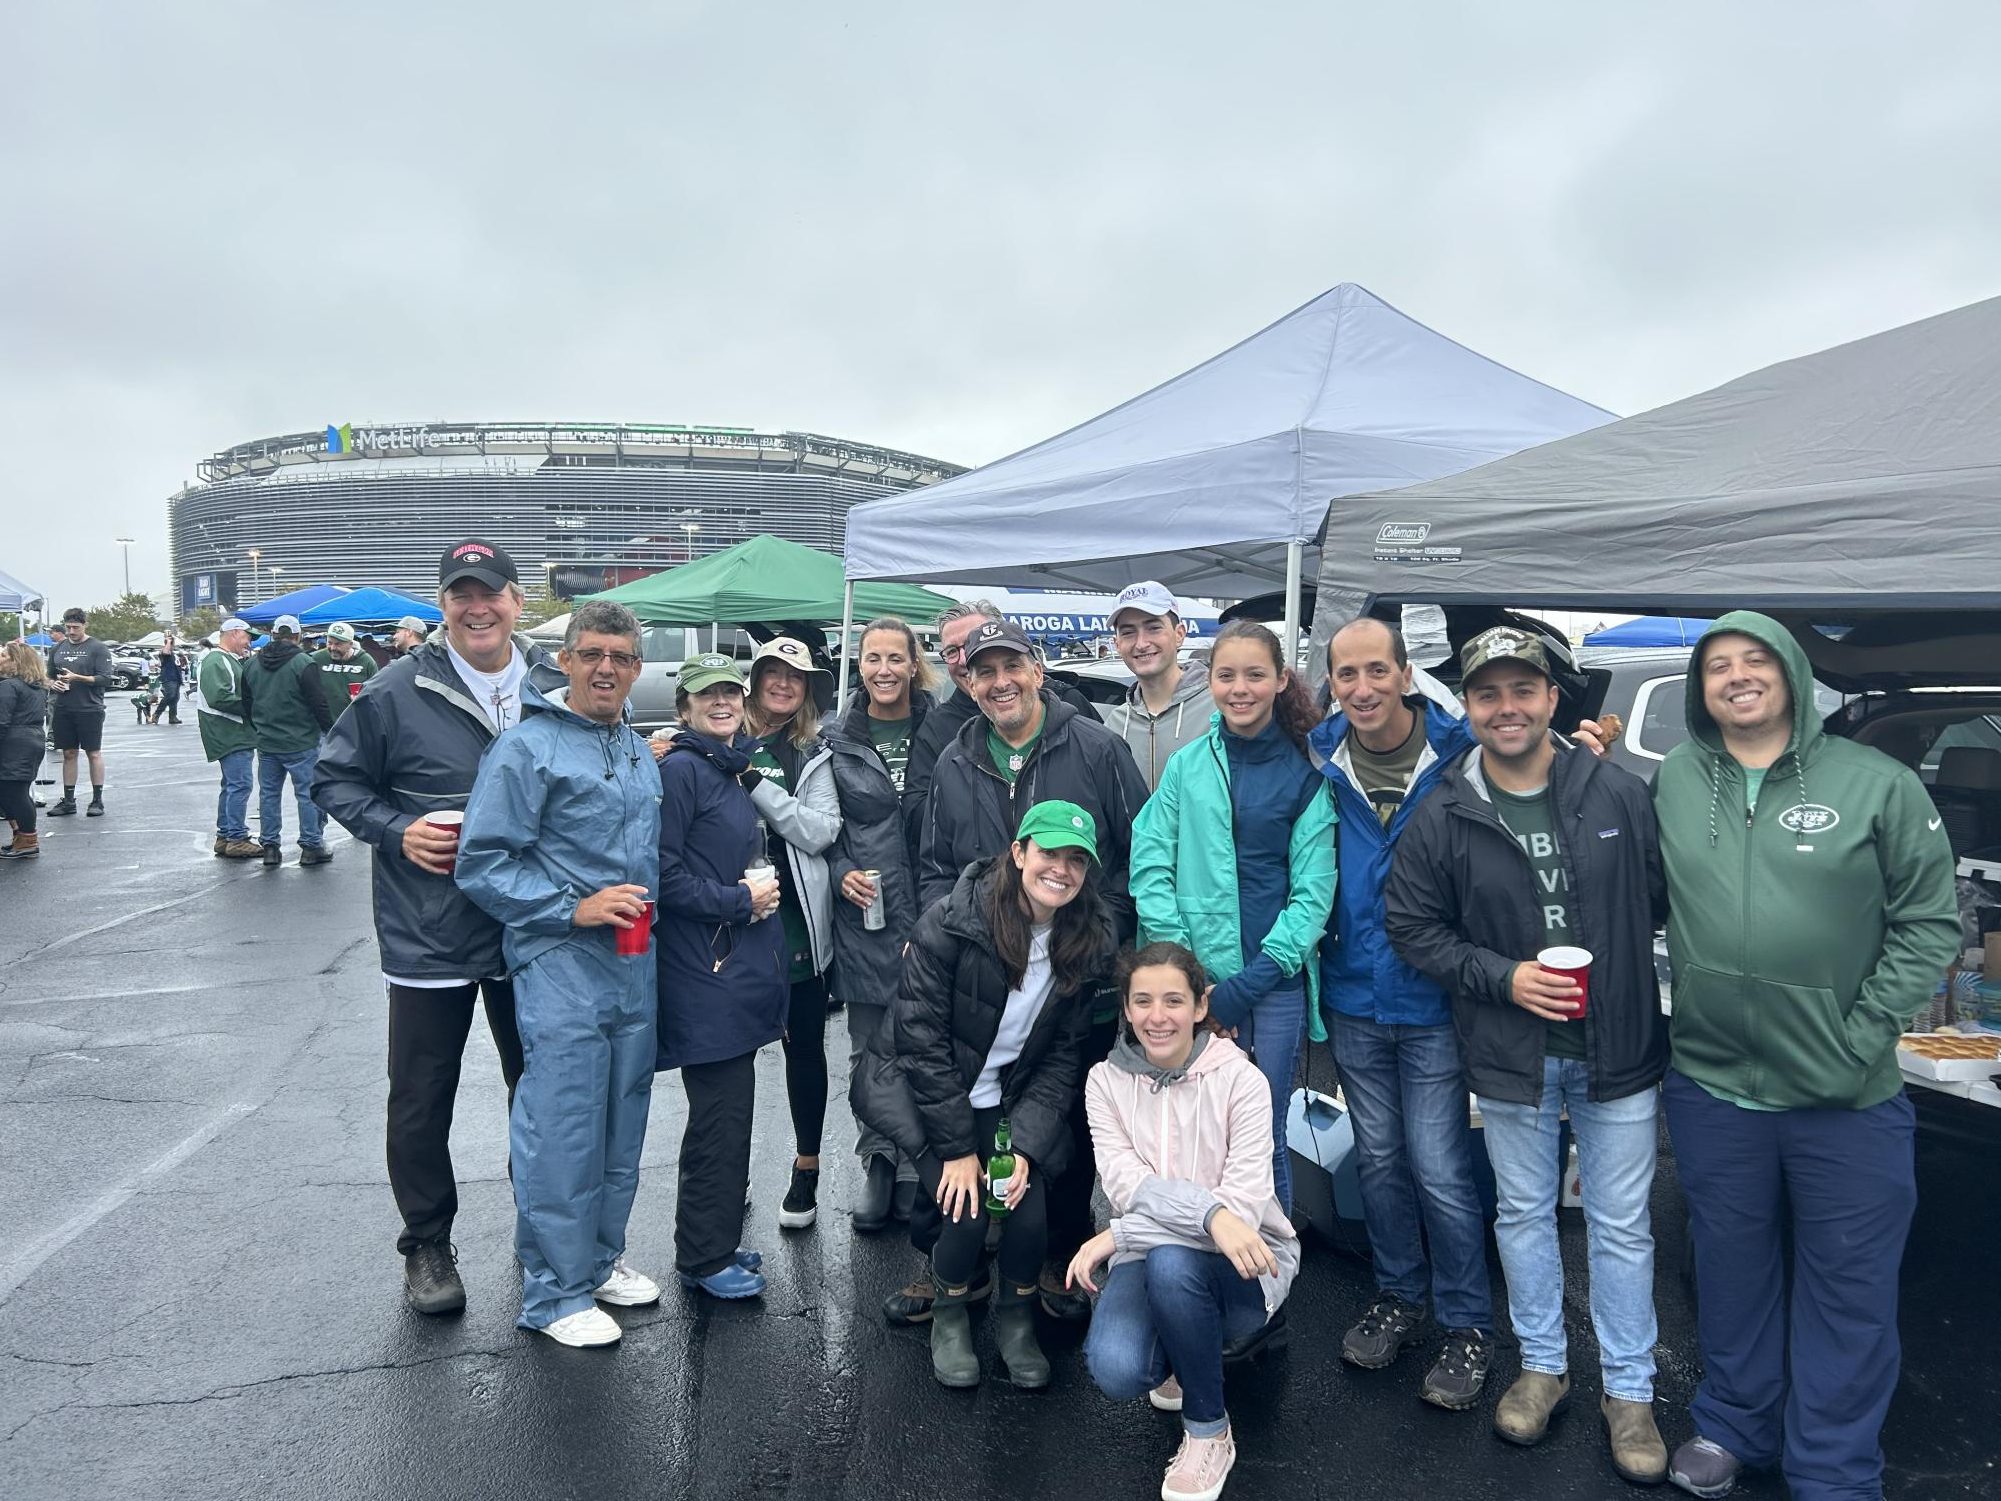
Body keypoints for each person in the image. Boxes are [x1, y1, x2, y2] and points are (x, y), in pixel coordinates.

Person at [1646, 613, 1958, 1501]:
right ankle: (1737, 1423)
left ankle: (1831, 1465)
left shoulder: (1876, 783)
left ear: (1787, 672)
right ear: (1699, 689)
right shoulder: (1674, 777)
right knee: (1731, 1272)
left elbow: (1929, 923)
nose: (1737, 676)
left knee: (1847, 1291)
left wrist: (1859, 1035)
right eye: (1717, 666)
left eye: (1754, 661)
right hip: (1712, 1085)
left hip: (1846, 1095)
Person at [1385, 626, 1670, 1484]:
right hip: (1511, 1051)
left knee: (1621, 1224)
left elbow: (1658, 898)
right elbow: (1411, 927)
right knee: (1521, 1213)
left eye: (1522, 691)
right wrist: (1503, 977)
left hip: (1616, 1043)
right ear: (1466, 707)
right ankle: (1541, 1366)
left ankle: (1629, 1390)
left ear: (1552, 699)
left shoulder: (1616, 790)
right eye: (1486, 694)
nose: (1505, 708)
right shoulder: (1443, 809)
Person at [314, 539, 565, 1314]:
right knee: (423, 1094)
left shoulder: (555, 684)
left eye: (489, 591)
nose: (476, 606)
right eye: (460, 594)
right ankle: (426, 1242)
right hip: (431, 930)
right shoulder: (396, 689)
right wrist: (396, 830)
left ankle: (548, 1233)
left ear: (518, 601)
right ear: (442, 605)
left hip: (533, 925)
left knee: (544, 1086)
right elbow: (334, 777)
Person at [919, 616, 1148, 1325]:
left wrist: (1096, 944)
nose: (998, 682)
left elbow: (1136, 860)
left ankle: (1059, 1254)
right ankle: (960, 1260)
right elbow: (932, 867)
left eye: (1010, 666)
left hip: (1074, 974)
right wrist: (939, 943)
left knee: (1066, 1116)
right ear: (968, 680)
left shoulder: (1097, 748)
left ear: (1037, 668)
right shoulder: (954, 761)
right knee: (971, 1114)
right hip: (976, 985)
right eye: (982, 671)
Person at [456, 601, 663, 1348]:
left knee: (621, 1115)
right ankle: (552, 1290)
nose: (606, 667)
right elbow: (481, 862)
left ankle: (597, 1261)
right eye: (593, 653)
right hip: (560, 962)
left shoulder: (634, 748)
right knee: (564, 1125)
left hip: (632, 964)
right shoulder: (527, 747)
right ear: (566, 659)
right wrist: (572, 908)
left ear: (636, 668)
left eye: (621, 656)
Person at [852, 801, 1116, 1389]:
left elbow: (1061, 1061)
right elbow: (921, 1044)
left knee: (1027, 1210)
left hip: (1002, 1096)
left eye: (1076, 860)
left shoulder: (1083, 940)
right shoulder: (951, 922)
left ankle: (1015, 1322)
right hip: (918, 1087)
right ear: (1019, 854)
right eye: (1049, 853)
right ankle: (950, 1315)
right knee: (965, 1210)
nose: (1061, 871)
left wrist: (1022, 1147)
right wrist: (955, 1150)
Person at [1305, 616, 1495, 1410]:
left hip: (1432, 998)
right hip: (1354, 994)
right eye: (1345, 674)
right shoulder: (1319, 757)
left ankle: (1465, 1322)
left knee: (1441, 1166)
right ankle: (1398, 1295)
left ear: (1405, 672)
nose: (1361, 689)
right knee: (1378, 1160)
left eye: (1375, 671)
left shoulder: (1461, 755)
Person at [1072, 942, 1300, 1501]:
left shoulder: (1242, 1080)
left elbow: (1243, 1211)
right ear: (1125, 1010)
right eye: (1142, 1001)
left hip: (1247, 1262)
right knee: (1116, 1366)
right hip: (1152, 1255)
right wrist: (1208, 1213)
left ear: (1201, 1006)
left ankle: (1209, 1431)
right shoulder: (1104, 1083)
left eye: (1173, 1000)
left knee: (1176, 1263)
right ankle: (1183, 1346)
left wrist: (1119, 1233)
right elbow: (1127, 1187)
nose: (1157, 1016)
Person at [1130, 620, 1336, 1213]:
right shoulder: (1187, 766)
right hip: (1191, 988)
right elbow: (1151, 868)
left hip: (1272, 985)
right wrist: (1190, 981)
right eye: (1226, 675)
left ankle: (1267, 1281)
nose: (1239, 688)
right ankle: (1196, 1261)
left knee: (1259, 1135)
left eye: (1254, 674)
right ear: (1210, 682)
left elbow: (1313, 894)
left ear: (1279, 681)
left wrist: (1245, 988)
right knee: (1191, 1135)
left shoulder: (1308, 772)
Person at [654, 652, 786, 1300]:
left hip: (729, 965)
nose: (722, 702)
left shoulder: (727, 766)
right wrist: (740, 901)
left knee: (730, 1114)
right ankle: (703, 1257)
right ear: (684, 706)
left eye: (730, 693)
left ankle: (717, 1240)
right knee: (717, 1118)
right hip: (703, 970)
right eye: (707, 695)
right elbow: (662, 874)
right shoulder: (682, 769)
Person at [824, 616, 938, 1231]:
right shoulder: (838, 737)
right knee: (869, 1048)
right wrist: (842, 868)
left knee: (927, 1043)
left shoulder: (944, 726)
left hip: (935, 909)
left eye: (896, 657)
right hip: (868, 914)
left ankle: (921, 1163)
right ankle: (879, 1161)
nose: (885, 669)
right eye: (873, 658)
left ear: (914, 662)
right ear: (859, 663)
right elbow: (824, 824)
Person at [740, 636, 842, 1232]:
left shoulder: (815, 753)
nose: (782, 683)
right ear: (755, 680)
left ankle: (807, 1164)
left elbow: (819, 831)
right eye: (772, 672)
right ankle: (731, 1171)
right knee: (731, 1055)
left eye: (795, 675)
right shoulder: (722, 732)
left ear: (809, 688)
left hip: (796, 921)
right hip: (732, 918)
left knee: (803, 1048)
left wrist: (751, 782)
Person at [903, 600, 1100, 855]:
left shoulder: (1070, 707)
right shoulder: (937, 729)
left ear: (1036, 672)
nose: (964, 658)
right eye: (952, 650)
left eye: (974, 642)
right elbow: (920, 818)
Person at [241, 614, 334, 867]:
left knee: (269, 795)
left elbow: (246, 702)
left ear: (272, 634)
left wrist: (258, 727)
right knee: (306, 794)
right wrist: (331, 730)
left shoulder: (251, 664)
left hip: (268, 741)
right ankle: (311, 846)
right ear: (297, 636)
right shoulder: (304, 662)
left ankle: (270, 847)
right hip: (301, 740)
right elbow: (318, 702)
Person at [1103, 580, 1212, 791]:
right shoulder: (1114, 723)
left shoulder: (1218, 708)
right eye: (1128, 632)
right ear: (1116, 644)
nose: (1141, 643)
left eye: (1153, 628)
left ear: (1179, 634)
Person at [196, 617, 261, 858]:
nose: (248, 642)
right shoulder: (217, 660)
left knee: (232, 785)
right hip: (229, 731)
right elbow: (219, 697)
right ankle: (236, 836)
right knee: (240, 784)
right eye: (246, 636)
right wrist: (255, 707)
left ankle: (226, 834)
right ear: (234, 633)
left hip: (228, 731)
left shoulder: (223, 659)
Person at [45, 607, 115, 819]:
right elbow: (47, 677)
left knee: (93, 753)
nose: (72, 631)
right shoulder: (58, 648)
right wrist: (52, 684)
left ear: (85, 625)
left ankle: (97, 800)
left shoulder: (98, 648)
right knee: (69, 753)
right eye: (68, 627)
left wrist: (78, 677)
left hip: (90, 708)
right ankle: (68, 800)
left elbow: (105, 679)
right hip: (64, 708)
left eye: (76, 627)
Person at [0, 641, 49, 859]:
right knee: (14, 792)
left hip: (15, 743)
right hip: (30, 740)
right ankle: (22, 838)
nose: (0, 658)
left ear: (14, 661)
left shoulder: (9, 686)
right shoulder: (34, 685)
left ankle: (28, 840)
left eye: (3, 655)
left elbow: (2, 720)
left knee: (15, 793)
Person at [312, 622, 379, 722]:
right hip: (322, 725)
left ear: (350, 644)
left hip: (353, 724)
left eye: (338, 644)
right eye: (329, 643)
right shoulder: (317, 658)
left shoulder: (366, 662)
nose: (333, 648)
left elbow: (376, 694)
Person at [154, 634, 187, 725]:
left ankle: (173, 717)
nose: (173, 645)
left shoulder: (173, 654)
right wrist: (168, 641)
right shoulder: (164, 652)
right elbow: (165, 652)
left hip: (176, 678)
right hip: (168, 677)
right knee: (170, 695)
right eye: (172, 644)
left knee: (175, 698)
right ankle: (157, 714)